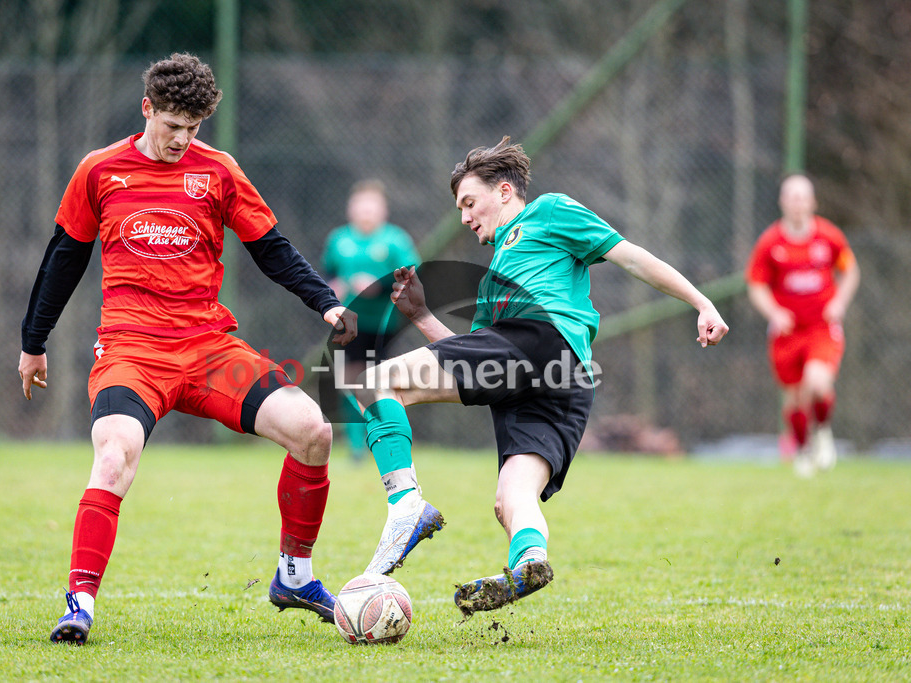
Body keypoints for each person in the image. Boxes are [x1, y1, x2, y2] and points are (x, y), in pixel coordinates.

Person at [17, 53, 356, 644]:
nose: (183, 139)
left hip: (207, 347)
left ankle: (295, 577)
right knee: (116, 451)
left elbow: (269, 247)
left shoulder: (218, 171)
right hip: (130, 349)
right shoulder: (99, 171)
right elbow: (63, 258)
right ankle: (80, 603)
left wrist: (324, 300)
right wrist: (33, 342)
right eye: (173, 126)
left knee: (313, 430)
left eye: (194, 129)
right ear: (147, 110)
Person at [350, 137, 728, 617]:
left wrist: (702, 302)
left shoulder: (547, 212)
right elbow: (476, 363)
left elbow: (630, 255)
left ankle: (405, 505)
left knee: (376, 382)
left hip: (540, 342)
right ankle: (529, 559)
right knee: (511, 498)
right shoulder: (493, 282)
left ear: (505, 191)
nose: (465, 218)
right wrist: (422, 315)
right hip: (562, 379)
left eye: (470, 202)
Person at [746, 174, 859, 477]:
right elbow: (756, 285)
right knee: (795, 396)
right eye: (791, 197)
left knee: (818, 384)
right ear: (783, 202)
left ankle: (822, 432)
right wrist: (775, 312)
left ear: (812, 202)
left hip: (821, 328)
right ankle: (803, 450)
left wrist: (840, 303)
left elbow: (850, 271)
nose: (797, 204)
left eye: (802, 198)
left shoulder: (829, 237)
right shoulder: (770, 243)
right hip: (787, 332)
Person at [322, 180, 420, 461]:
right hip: (349, 322)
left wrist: (381, 284)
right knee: (349, 379)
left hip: (385, 325)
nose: (365, 211)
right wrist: (335, 285)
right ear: (350, 209)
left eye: (371, 206)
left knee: (379, 381)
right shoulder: (339, 239)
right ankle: (357, 445)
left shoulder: (394, 240)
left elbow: (412, 272)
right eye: (360, 206)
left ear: (383, 210)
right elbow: (328, 272)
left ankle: (382, 435)